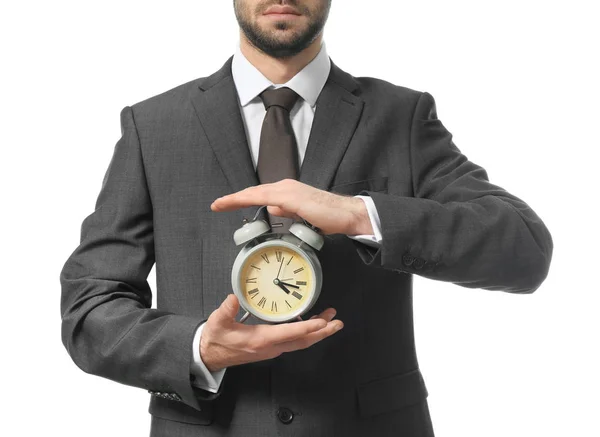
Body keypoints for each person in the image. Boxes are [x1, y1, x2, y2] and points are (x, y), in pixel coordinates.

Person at [59, 1, 554, 436]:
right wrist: (199, 347)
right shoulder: (154, 126)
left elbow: (525, 249)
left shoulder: (400, 117)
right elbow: (89, 309)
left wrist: (359, 212)